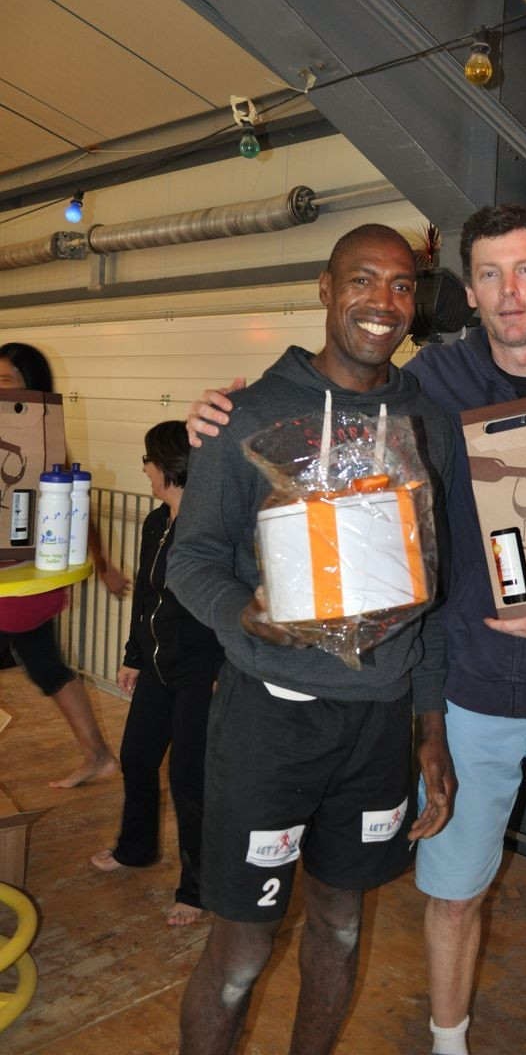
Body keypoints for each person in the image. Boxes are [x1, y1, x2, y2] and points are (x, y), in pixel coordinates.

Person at [187, 203, 526, 1055]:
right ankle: (447, 1040)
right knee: (438, 893)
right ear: (468, 291)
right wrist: (214, 419)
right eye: (488, 274)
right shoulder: (435, 383)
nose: (508, 291)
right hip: (457, 695)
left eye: (524, 270)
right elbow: (325, 403)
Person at [168, 223, 456, 1055]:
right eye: (361, 279)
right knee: (241, 953)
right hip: (270, 723)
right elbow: (190, 559)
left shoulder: (425, 421)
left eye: (400, 285)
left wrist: (430, 727)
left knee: (340, 928)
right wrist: (244, 613)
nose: (381, 302)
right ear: (326, 289)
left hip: (377, 727)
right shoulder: (248, 414)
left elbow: (435, 592)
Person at [90, 421, 224, 925]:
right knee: (136, 758)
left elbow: (229, 605)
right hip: (157, 667)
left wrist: (223, 669)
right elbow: (146, 599)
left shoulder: (212, 529)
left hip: (200, 674)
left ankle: (197, 888)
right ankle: (136, 848)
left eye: (148, 459)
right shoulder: (154, 522)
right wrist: (133, 655)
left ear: (169, 464)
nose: (144, 468)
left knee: (189, 781)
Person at [0, 340, 129, 789]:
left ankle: (98, 755)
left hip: (20, 581)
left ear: (31, 387)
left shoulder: (41, 438)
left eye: (6, 380)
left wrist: (103, 563)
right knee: (46, 666)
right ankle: (98, 756)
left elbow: (76, 506)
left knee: (45, 665)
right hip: (19, 582)